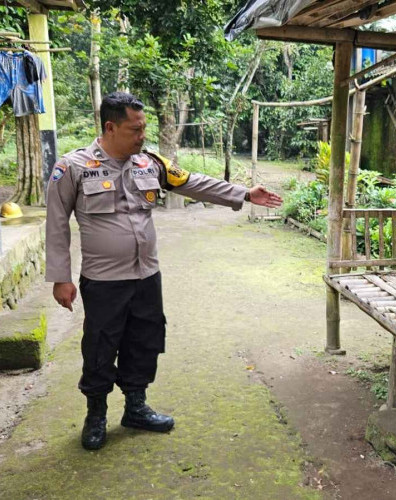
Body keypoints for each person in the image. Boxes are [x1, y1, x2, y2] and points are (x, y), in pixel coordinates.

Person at [45, 92, 282, 450]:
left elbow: (192, 182)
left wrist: (244, 194)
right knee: (100, 346)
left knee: (144, 341)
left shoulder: (149, 163)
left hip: (146, 276)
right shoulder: (74, 167)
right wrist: (61, 278)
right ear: (110, 127)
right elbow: (56, 224)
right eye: (134, 129)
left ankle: (135, 408)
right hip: (104, 280)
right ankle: (96, 415)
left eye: (144, 128)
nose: (142, 136)